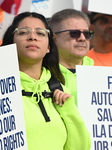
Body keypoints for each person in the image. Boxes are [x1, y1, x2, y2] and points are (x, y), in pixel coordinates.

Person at [1, 12, 91, 150]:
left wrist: (69, 112)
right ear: (11, 41)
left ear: (49, 46)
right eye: (23, 32)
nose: (32, 37)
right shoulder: (3, 90)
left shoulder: (60, 89)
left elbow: (81, 147)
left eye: (41, 33)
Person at [49, 9, 94, 105]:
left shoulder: (101, 75)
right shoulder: (42, 75)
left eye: (86, 34)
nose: (82, 38)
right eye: (74, 33)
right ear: (54, 38)